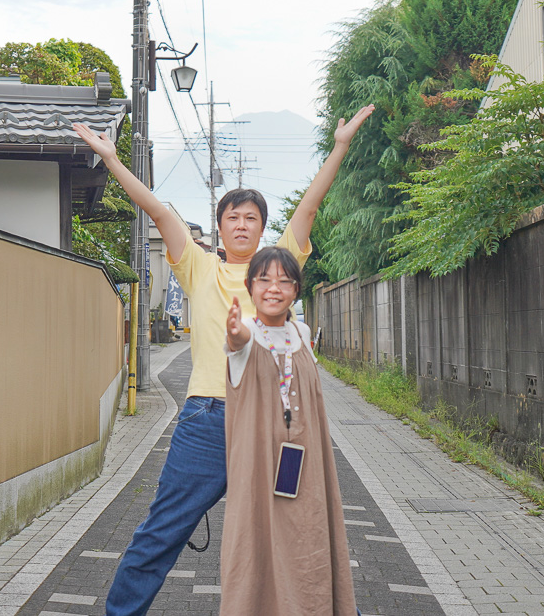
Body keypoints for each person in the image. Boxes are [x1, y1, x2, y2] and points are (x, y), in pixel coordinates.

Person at [73, 104, 373, 616]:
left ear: (262, 229)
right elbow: (159, 211)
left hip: (276, 429)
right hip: (208, 418)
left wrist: (339, 147)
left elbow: (308, 207)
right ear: (218, 226)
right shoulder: (198, 266)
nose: (241, 224)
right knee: (163, 529)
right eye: (232, 217)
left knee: (302, 526)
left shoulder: (277, 267)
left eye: (250, 218)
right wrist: (113, 158)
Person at [223, 247, 357, 615]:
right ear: (250, 287)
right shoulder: (247, 333)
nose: (273, 288)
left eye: (284, 280)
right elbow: (238, 342)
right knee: (256, 546)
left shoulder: (301, 332)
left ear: (296, 290)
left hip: (306, 466)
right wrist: (235, 332)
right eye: (264, 279)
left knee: (308, 540)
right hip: (257, 469)